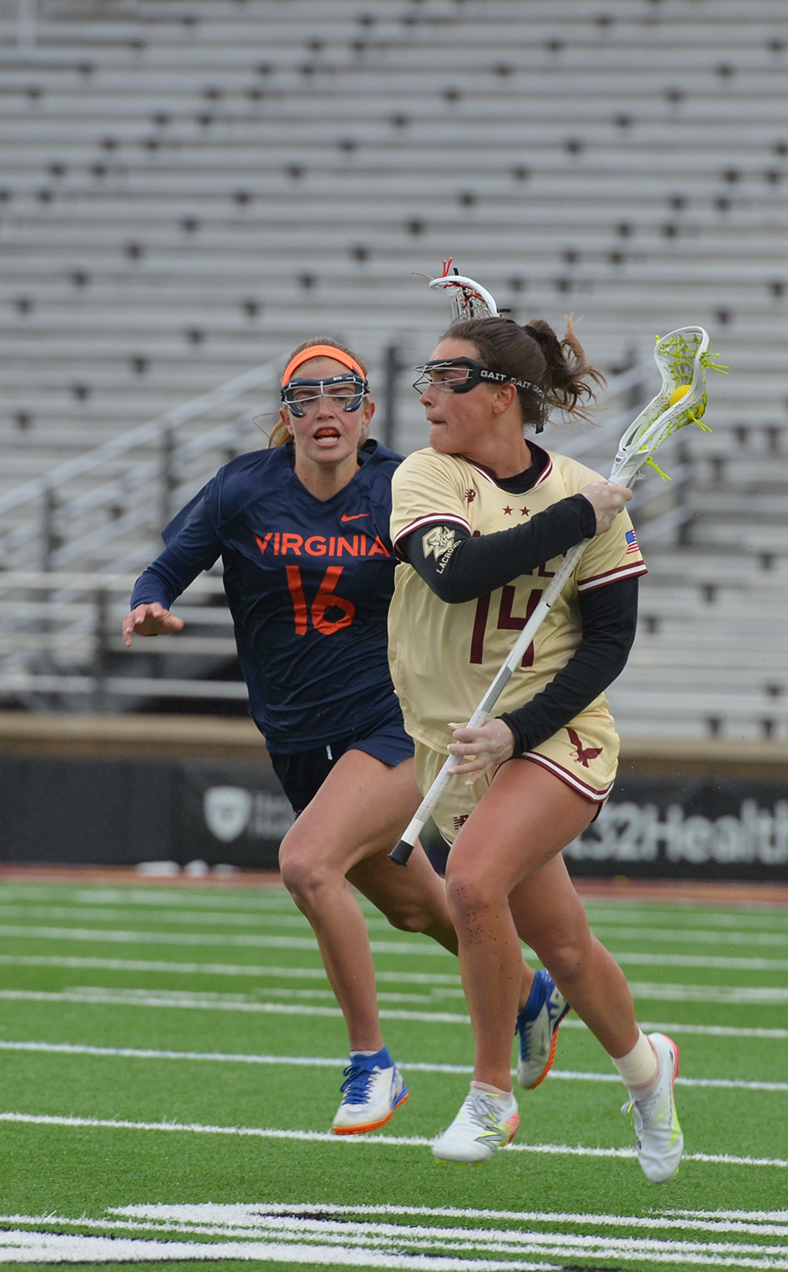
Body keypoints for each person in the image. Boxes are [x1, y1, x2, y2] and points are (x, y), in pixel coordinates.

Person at [125, 339, 571, 1135]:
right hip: (296, 734)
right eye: (306, 396)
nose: (324, 409)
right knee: (416, 910)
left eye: (343, 394)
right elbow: (169, 564)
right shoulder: (242, 489)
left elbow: (484, 542)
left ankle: (373, 1063)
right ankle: (533, 993)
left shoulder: (404, 484)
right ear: (286, 415)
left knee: (305, 861)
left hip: (395, 719)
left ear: (367, 411)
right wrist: (149, 602)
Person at [388, 314, 682, 1181]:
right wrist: (572, 518)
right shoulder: (425, 475)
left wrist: (518, 729)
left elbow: (608, 645)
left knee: (473, 884)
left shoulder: (589, 493)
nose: (429, 396)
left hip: (555, 736)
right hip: (450, 747)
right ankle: (646, 1071)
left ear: (503, 396)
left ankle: (491, 1095)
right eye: (428, 378)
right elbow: (457, 571)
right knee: (563, 946)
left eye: (450, 379)